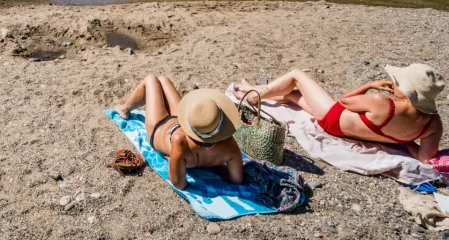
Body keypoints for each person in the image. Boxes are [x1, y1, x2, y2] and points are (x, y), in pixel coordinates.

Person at [234, 64, 444, 163]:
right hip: (345, 131)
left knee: (297, 75)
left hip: (333, 119)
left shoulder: (382, 103)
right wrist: (403, 141)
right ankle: (255, 90)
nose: (394, 85)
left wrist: (369, 85)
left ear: (407, 91)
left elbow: (343, 101)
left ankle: (254, 96)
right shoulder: (433, 125)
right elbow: (425, 158)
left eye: (398, 83)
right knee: (293, 95)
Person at [116, 75, 244, 190]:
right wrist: (217, 167)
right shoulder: (230, 145)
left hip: (160, 129)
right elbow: (237, 179)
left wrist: (174, 160)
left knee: (151, 79)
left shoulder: (179, 140)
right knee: (163, 79)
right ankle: (126, 107)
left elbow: (179, 183)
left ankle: (125, 108)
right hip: (185, 125)